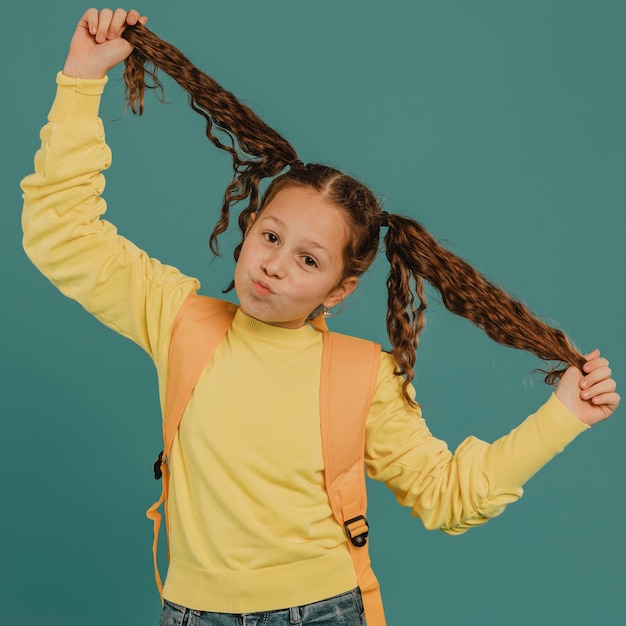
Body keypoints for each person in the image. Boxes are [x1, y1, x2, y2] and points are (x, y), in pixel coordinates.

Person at [21, 8, 619, 626]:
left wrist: (564, 415)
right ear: (248, 228)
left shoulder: (361, 375)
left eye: (308, 259)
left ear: (339, 290)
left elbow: (450, 498)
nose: (275, 266)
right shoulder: (178, 318)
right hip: (192, 610)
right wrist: (82, 78)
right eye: (271, 237)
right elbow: (60, 232)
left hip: (323, 612)